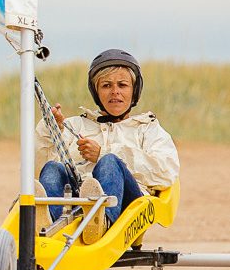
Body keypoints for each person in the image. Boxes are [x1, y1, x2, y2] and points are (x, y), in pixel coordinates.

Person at [36, 49, 179, 240]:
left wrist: (103, 153)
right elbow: (36, 168)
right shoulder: (74, 126)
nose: (115, 92)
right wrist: (50, 130)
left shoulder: (148, 129)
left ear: (134, 90)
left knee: (110, 161)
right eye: (106, 85)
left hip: (127, 208)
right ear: (96, 92)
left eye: (122, 85)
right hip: (76, 200)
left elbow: (166, 172)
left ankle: (102, 221)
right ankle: (46, 223)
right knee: (53, 168)